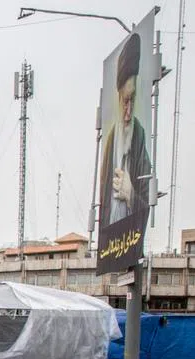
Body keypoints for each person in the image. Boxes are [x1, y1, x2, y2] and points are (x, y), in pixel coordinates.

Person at [100, 32, 152, 227]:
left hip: (129, 240)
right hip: (111, 243)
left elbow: (145, 206)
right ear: (119, 97)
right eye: (125, 101)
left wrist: (130, 193)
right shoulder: (111, 141)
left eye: (133, 100)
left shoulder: (139, 138)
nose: (128, 112)